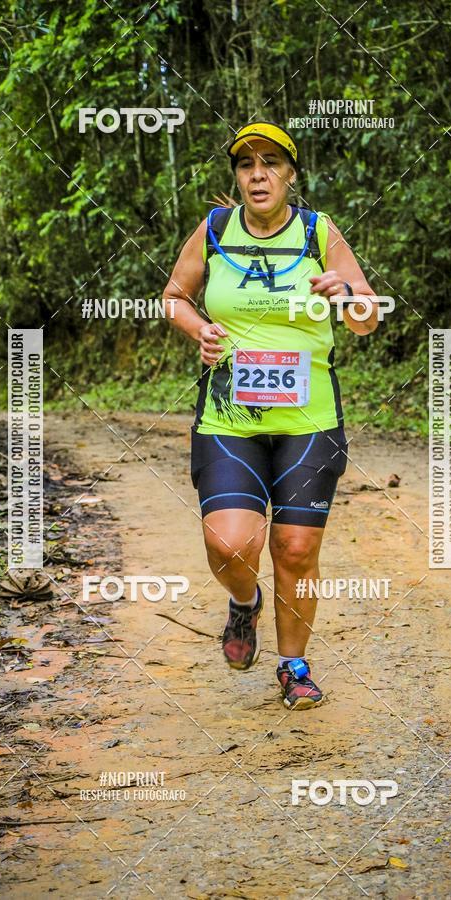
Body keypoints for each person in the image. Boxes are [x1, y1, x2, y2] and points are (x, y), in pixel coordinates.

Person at [162, 121, 379, 709]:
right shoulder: (214, 229)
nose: (258, 175)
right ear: (237, 177)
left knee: (296, 548)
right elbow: (174, 298)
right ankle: (244, 603)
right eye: (246, 164)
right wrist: (199, 329)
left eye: (271, 163)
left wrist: (347, 297)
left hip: (309, 420)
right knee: (230, 545)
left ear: (290, 174)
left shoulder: (319, 232)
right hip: (229, 418)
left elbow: (367, 318)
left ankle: (294, 666)